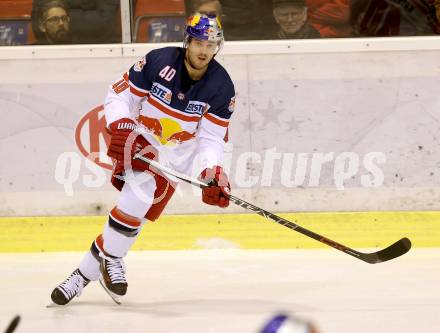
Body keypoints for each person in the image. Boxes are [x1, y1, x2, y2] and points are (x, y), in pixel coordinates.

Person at [50, 13, 235, 305]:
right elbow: (119, 95)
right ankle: (112, 261)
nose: (203, 50)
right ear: (187, 41)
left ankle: (84, 273)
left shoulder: (222, 87)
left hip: (175, 161)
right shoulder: (159, 61)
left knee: (134, 214)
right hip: (140, 142)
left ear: (218, 47)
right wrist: (122, 125)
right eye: (198, 42)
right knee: (139, 194)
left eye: (210, 44)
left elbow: (211, 139)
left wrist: (211, 172)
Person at [32, 0, 121, 44]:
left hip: (99, 48)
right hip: (51, 48)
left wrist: (58, 16)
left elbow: (106, 22)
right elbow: (38, 21)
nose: (61, 23)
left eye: (64, 18)